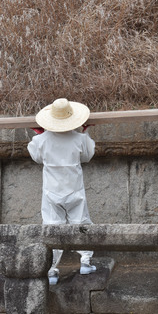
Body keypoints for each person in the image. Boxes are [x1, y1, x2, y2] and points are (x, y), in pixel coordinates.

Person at [27, 98, 97, 285]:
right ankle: (85, 261)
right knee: (81, 222)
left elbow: (36, 156)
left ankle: (51, 269)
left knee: (51, 226)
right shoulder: (79, 139)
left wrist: (40, 136)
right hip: (74, 188)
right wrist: (86, 132)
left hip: (51, 190)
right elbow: (88, 155)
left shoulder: (41, 140)